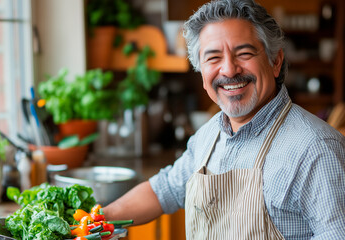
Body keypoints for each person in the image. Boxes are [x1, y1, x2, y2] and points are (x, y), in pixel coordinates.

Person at [103, 0, 345, 239]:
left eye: (244, 53)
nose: (229, 70)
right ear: (201, 72)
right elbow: (164, 190)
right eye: (213, 58)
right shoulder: (208, 136)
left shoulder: (317, 149)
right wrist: (97, 219)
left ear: (275, 61)